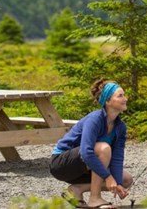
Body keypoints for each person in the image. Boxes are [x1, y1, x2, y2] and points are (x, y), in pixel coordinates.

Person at [50, 79, 132, 209]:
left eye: (124, 95)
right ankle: (95, 199)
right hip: (62, 164)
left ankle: (76, 189)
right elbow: (86, 153)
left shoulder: (120, 126)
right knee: (103, 148)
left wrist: (118, 182)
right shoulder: (95, 119)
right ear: (108, 101)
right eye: (120, 96)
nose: (125, 99)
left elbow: (117, 157)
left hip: (84, 168)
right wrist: (108, 177)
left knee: (126, 179)